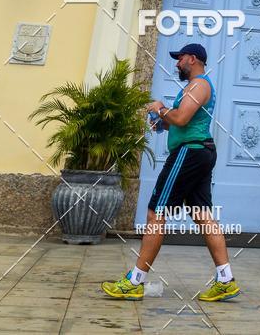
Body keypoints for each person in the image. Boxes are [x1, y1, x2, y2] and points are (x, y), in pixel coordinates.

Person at [101, 42, 240, 302]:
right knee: (202, 215)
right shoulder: (193, 87)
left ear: (193, 59)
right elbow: (178, 121)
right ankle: (225, 280)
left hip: (190, 152)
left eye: (180, 58)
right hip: (199, 151)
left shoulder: (199, 85)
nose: (177, 63)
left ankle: (135, 282)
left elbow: (182, 118)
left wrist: (159, 108)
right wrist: (162, 122)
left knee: (156, 214)